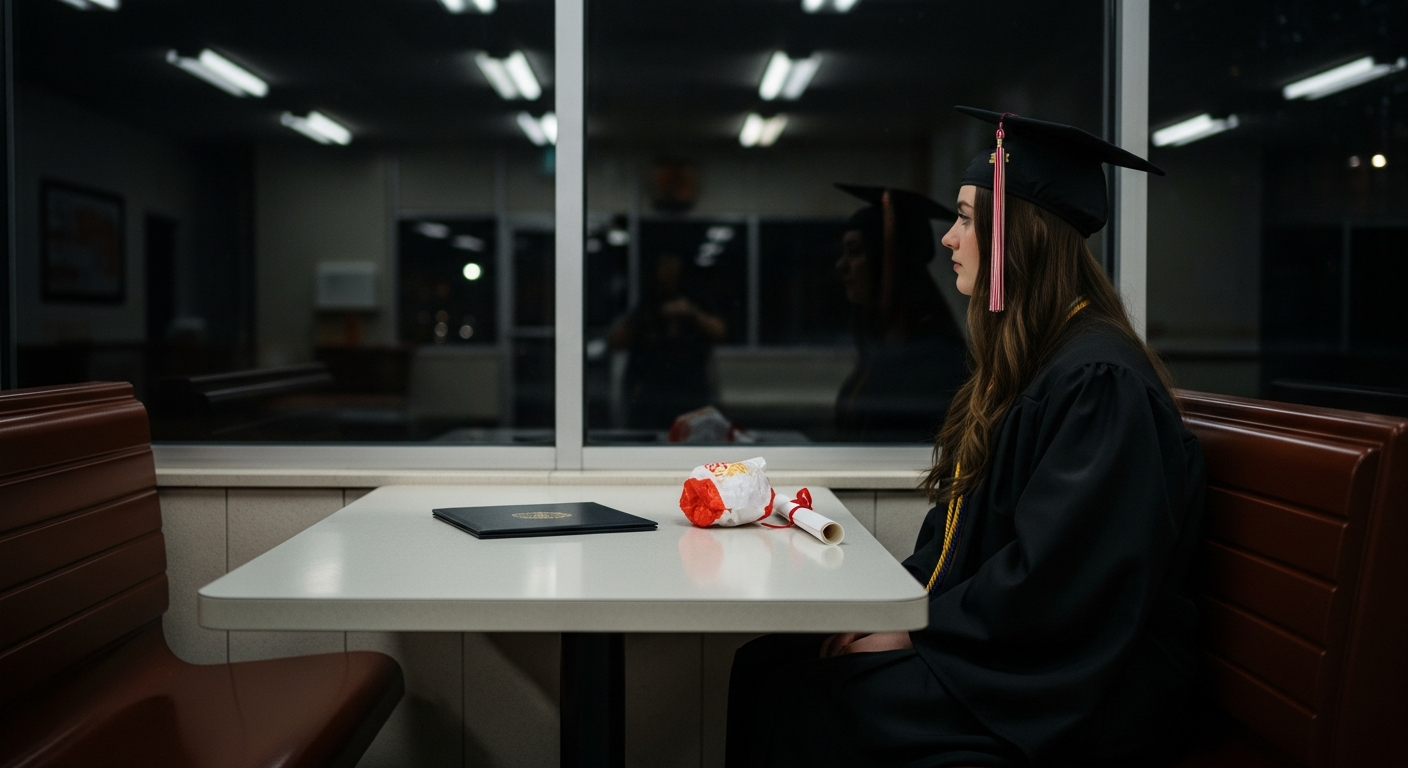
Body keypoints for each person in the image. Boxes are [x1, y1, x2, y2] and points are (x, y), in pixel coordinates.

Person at [726, 108, 1207, 767]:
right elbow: (959, 546)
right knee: (766, 663)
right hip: (1006, 650)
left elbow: (1060, 581)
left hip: (1075, 690)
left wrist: (919, 633)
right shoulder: (1032, 365)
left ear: (1017, 237)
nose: (950, 238)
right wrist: (893, 610)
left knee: (816, 696)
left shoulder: (1098, 381)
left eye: (965, 218)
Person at [833, 184, 968, 442]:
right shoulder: (886, 341)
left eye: (855, 252)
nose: (841, 266)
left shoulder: (932, 359)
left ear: (887, 263)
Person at [609, 252, 728, 430]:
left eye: (673, 266)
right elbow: (616, 341)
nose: (669, 272)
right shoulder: (646, 301)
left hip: (691, 389)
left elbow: (720, 332)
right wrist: (647, 319)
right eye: (664, 267)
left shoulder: (695, 298)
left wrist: (691, 314)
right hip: (652, 391)